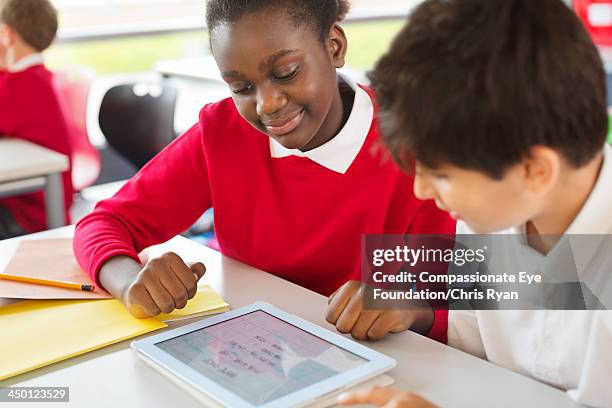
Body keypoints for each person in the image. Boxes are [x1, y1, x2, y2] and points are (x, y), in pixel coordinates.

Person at [73, 0, 455, 344]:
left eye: (287, 72)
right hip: (246, 349)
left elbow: (472, 291)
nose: (266, 104)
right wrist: (128, 283)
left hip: (378, 366)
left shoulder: (414, 145)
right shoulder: (223, 131)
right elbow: (104, 223)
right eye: (241, 87)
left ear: (334, 47)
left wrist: (407, 305)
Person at [339, 0, 612, 406]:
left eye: (443, 175)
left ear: (536, 170)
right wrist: (415, 308)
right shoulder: (494, 210)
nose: (421, 191)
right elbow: (472, 347)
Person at [0, 0, 73, 239]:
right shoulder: (38, 78)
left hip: (30, 216)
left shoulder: (16, 87)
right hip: (46, 205)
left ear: (7, 34)